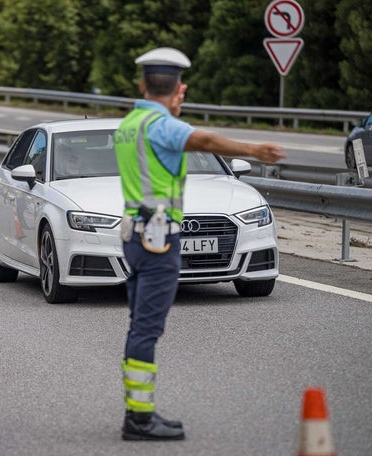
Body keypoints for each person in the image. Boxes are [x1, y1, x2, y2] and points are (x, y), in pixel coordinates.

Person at [113, 47, 286, 441]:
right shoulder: (160, 125)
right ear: (180, 89)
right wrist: (254, 151)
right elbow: (203, 139)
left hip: (135, 236)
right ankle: (139, 419)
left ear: (142, 84)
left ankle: (137, 413)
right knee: (147, 328)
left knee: (139, 325)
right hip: (158, 240)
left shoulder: (130, 123)